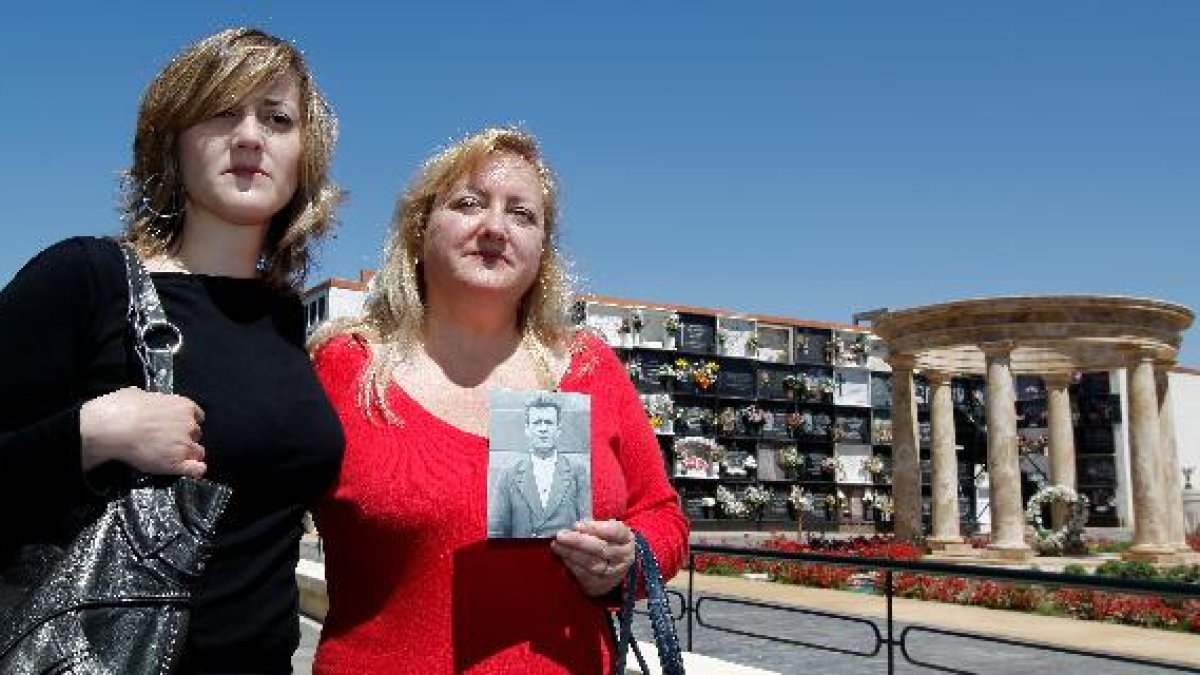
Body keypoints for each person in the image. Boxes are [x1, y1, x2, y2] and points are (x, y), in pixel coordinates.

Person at [0, 28, 344, 673]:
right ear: (173, 141)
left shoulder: (282, 318)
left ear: (305, 155)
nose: (250, 137)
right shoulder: (87, 279)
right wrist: (88, 434)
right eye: (222, 112)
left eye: (277, 119)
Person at [310, 127, 689, 674]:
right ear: (419, 227)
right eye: (469, 203)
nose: (494, 227)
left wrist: (625, 560)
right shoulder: (346, 366)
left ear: (542, 249)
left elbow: (662, 515)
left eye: (522, 214)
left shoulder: (589, 367)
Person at [488, 395, 591, 539]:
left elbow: (587, 525)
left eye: (549, 423)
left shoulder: (577, 471)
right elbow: (496, 530)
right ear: (527, 429)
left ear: (558, 430)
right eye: (537, 423)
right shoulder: (508, 474)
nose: (543, 429)